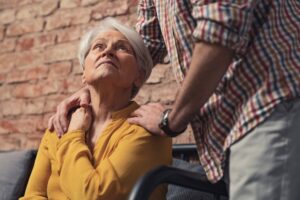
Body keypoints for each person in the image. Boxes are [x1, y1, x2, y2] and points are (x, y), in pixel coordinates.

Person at [49, 1, 300, 199]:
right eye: (98, 47)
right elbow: (144, 45)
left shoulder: (137, 133)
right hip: (228, 134)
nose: (107, 51)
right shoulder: (67, 123)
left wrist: (171, 121)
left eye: (115, 49)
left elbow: (221, 27)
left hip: (268, 104)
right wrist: (94, 89)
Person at [21, 17, 172, 200]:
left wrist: (74, 134)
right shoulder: (61, 123)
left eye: (121, 47)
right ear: (84, 73)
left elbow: (93, 195)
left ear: (139, 76)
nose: (108, 51)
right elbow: (32, 195)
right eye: (98, 46)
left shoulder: (148, 128)